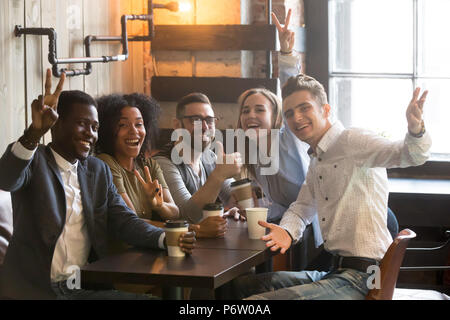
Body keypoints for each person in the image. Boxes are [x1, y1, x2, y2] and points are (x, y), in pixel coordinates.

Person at [228, 74, 431, 300]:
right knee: (240, 286)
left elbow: (409, 154)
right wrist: (286, 231)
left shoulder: (353, 140)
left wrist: (416, 129)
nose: (297, 118)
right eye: (289, 113)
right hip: (337, 271)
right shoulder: (317, 159)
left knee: (256, 303)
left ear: (325, 109)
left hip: (365, 276)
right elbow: (302, 206)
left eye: (304, 108)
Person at [0, 69, 195, 300]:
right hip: (34, 291)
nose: (90, 134)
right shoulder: (35, 160)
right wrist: (33, 133)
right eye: (82, 124)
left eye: (95, 127)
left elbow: (123, 219)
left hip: (81, 287)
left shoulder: (96, 170)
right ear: (56, 124)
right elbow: (6, 178)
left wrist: (165, 238)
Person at [154, 93, 242, 238]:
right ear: (177, 125)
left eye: (209, 120)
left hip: (204, 250)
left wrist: (236, 208)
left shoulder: (210, 158)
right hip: (170, 253)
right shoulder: (163, 163)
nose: (205, 127)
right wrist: (219, 174)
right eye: (195, 120)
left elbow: (236, 198)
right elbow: (186, 217)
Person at [95, 93, 179, 223]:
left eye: (139, 124)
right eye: (123, 125)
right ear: (107, 130)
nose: (134, 131)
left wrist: (159, 205)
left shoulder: (150, 165)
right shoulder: (106, 163)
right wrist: (187, 229)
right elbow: (132, 222)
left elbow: (174, 212)